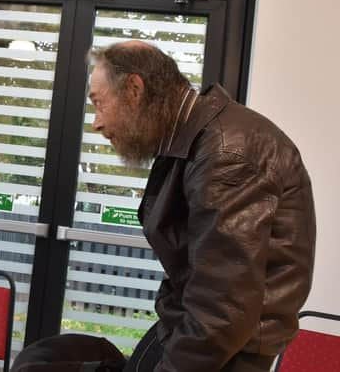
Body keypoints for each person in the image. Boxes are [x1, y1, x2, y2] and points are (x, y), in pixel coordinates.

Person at [87, 41, 316, 372]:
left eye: (99, 104)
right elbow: (193, 266)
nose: (96, 122)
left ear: (135, 89)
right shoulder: (190, 138)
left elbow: (222, 308)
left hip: (224, 355)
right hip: (196, 337)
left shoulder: (227, 152)